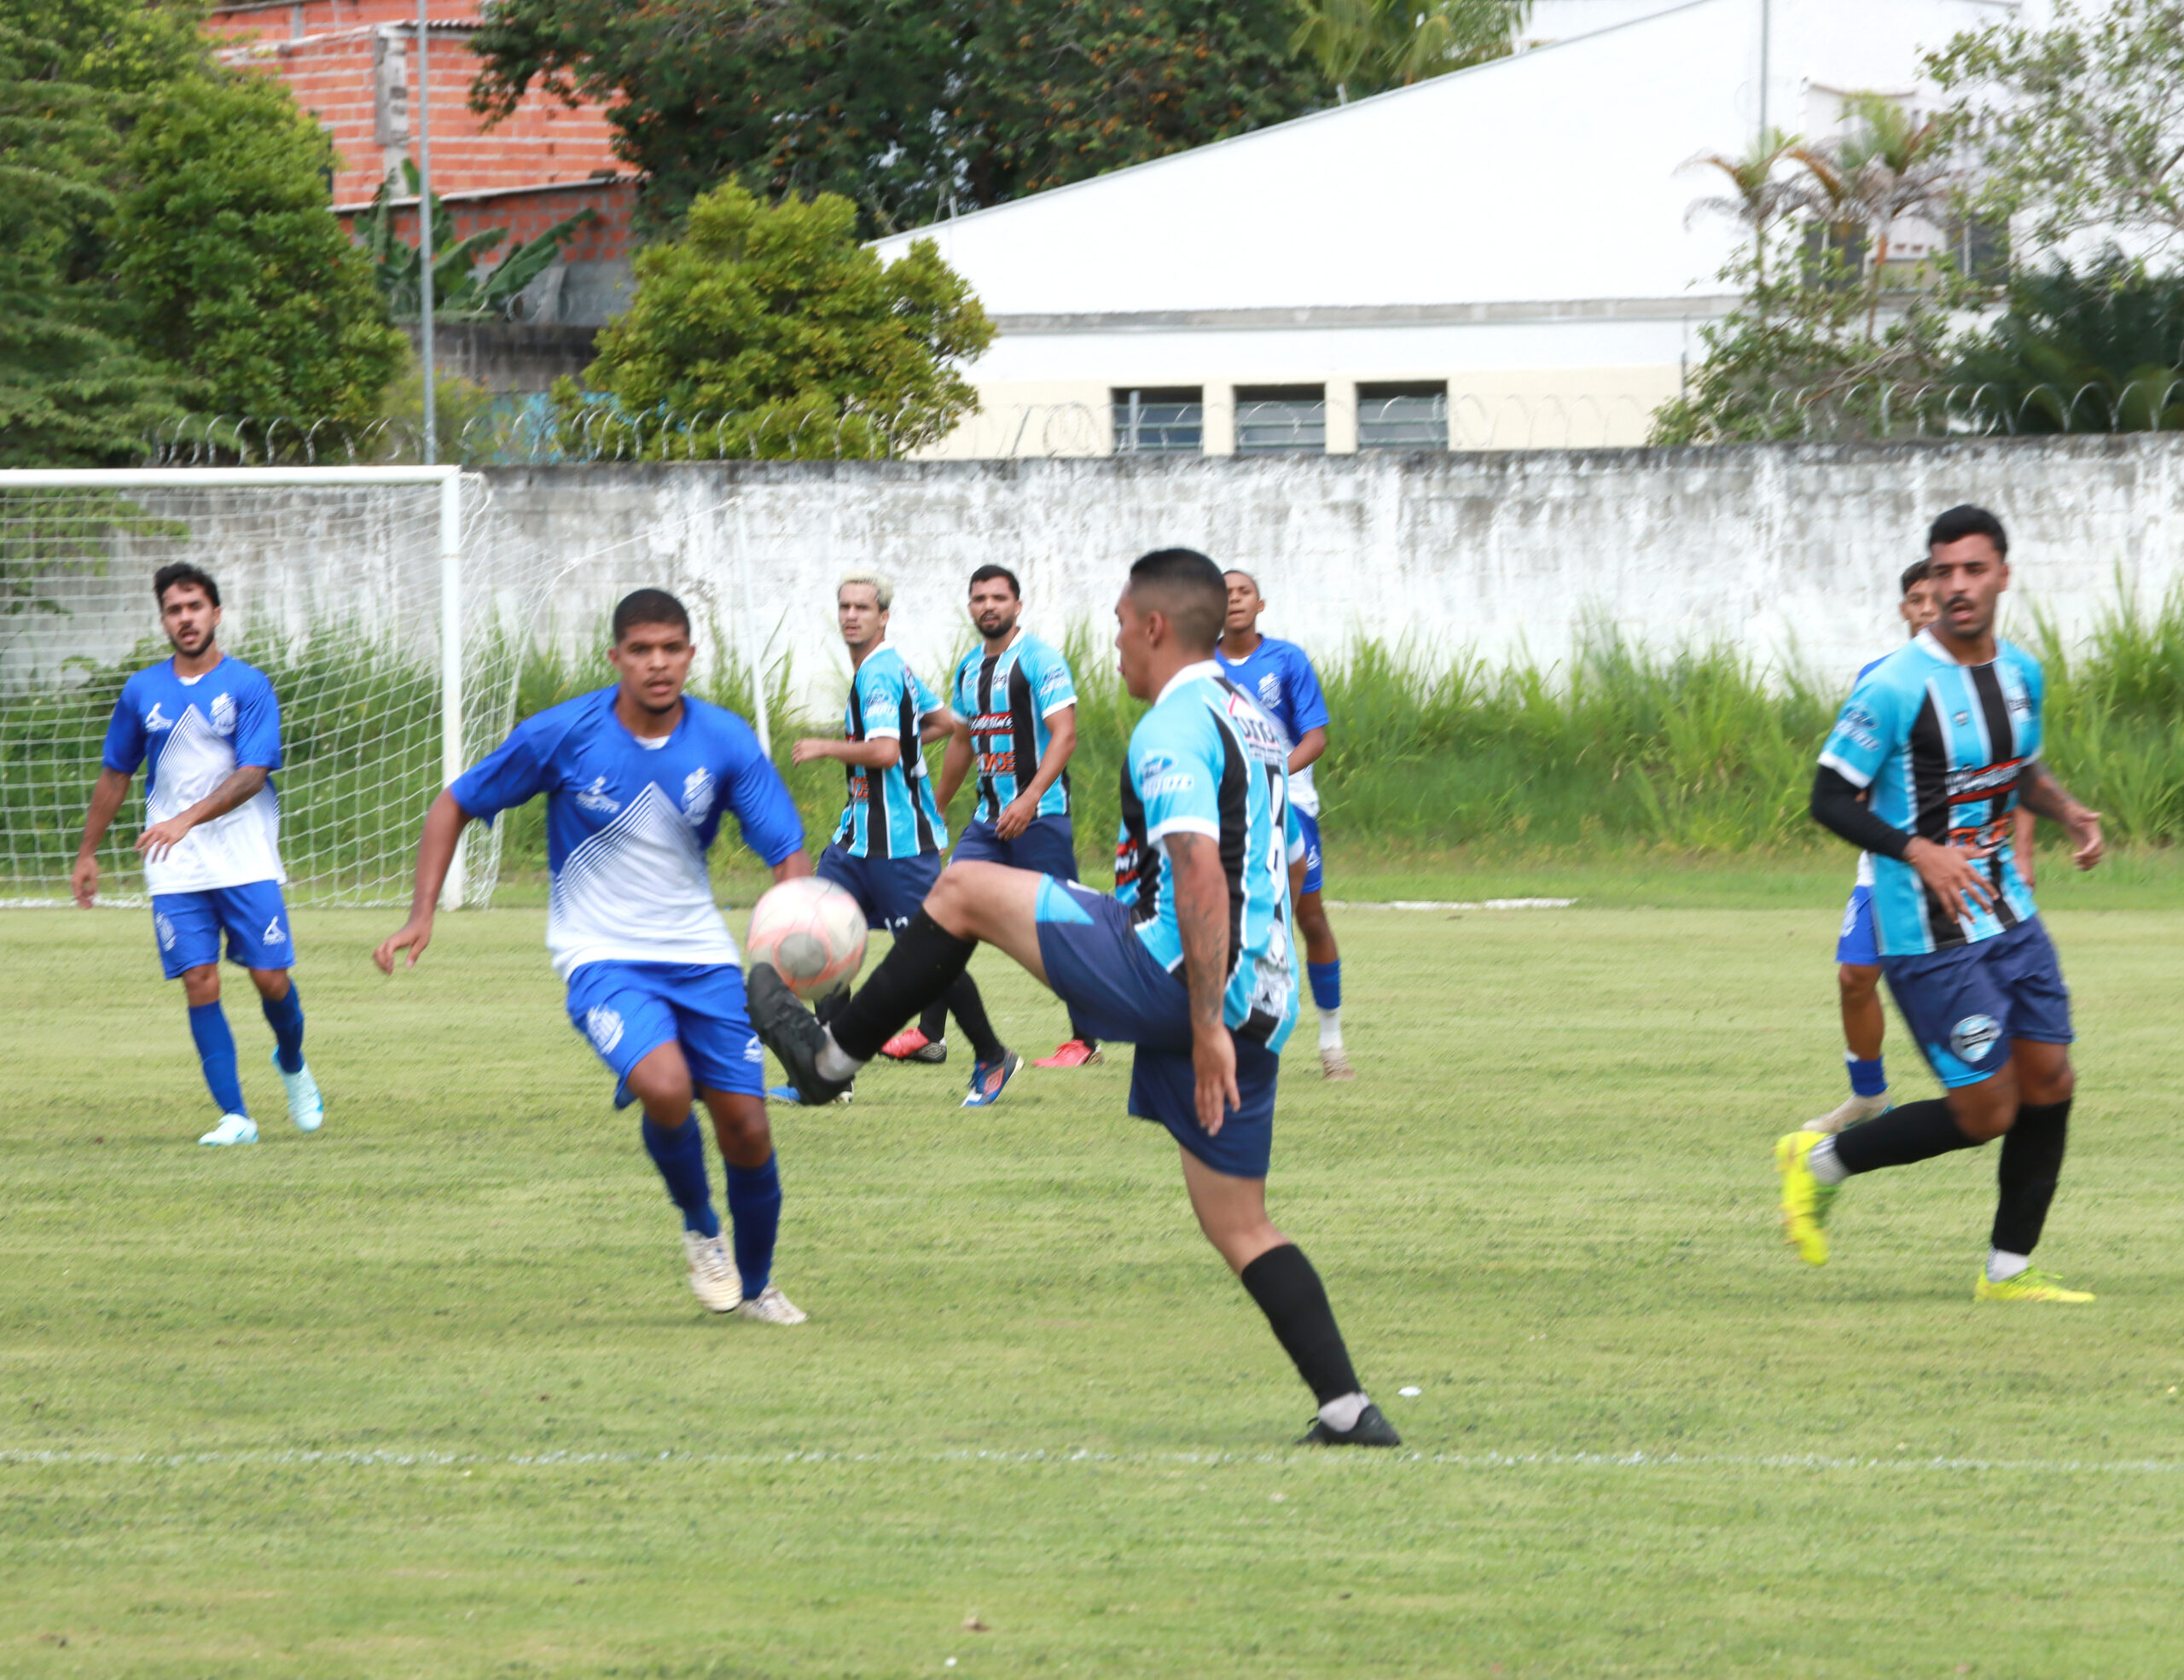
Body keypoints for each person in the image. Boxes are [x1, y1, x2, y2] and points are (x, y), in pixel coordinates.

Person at [752, 549, 1399, 1446]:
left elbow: (1201, 874)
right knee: (1238, 1222)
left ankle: (829, 1059)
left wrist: (1203, 1022)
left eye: (1122, 624)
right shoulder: (1249, 717)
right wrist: (1227, 1012)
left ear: (1156, 627)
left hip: (1181, 979)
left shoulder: (1172, 724)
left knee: (965, 890)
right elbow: (1279, 862)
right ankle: (1348, 1408)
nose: (1117, 643)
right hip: (1259, 996)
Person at [372, 590, 810, 1323]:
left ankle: (759, 1287)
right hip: (600, 954)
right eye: (641, 650)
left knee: (749, 1127)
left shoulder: (725, 740)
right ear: (615, 658)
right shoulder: (564, 734)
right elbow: (455, 802)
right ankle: (703, 1229)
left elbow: (787, 852)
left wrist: (796, 943)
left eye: (672, 648)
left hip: (699, 956)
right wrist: (422, 914)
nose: (658, 663)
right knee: (667, 1087)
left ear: (691, 655)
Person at [1778, 506, 2106, 1303]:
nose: (1956, 586)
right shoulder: (1893, 685)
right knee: (1988, 1108)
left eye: (1972, 570)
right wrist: (1917, 849)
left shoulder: (2022, 674)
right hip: (1928, 934)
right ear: (1929, 579)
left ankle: (2009, 1273)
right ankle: (1820, 1161)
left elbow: (2016, 769)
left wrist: (2066, 811)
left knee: (2051, 1079)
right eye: (1943, 571)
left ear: (2002, 575)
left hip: (2010, 913)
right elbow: (1828, 797)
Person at [72, 562, 322, 1146]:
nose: (185, 619)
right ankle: (236, 1116)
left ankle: (291, 1062)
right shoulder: (142, 691)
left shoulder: (249, 685)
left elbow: (253, 775)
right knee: (199, 980)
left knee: (270, 979)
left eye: (194, 607)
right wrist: (88, 852)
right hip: (172, 861)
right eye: (174, 610)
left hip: (244, 856)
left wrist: (186, 819)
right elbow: (116, 774)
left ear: (216, 612)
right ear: (163, 620)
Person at [1815, 561, 2041, 1135]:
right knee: (1853, 977)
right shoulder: (1885, 680)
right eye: (1915, 599)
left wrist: (2024, 852)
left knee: (1998, 977)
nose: (1926, 607)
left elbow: (2015, 774)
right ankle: (1869, 1095)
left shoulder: (2000, 672)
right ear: (1906, 609)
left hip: (1975, 869)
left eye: (1932, 596)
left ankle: (2010, 1083)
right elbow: (1848, 784)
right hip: (1893, 869)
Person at [790, 571, 1020, 1107]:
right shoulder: (889, 669)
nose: (851, 615)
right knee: (824, 940)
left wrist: (826, 747)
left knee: (931, 959)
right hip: (856, 840)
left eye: (863, 608)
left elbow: (887, 752)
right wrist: (909, 738)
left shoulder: (879, 673)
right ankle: (832, 1074)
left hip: (899, 844)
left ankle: (992, 1055)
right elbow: (948, 721)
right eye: (844, 606)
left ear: (883, 616)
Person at [888, 562, 1104, 1069]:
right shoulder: (967, 669)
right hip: (988, 822)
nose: (988, 606)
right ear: (970, 607)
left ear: (1017, 605)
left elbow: (1065, 734)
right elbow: (963, 741)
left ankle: (1085, 1042)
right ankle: (931, 1036)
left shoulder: (1040, 659)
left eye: (998, 597)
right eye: (979, 598)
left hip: (1041, 814)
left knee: (1059, 924)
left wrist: (1028, 799)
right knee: (943, 912)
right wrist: (934, 809)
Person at [1216, 570, 1350, 1080]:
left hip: (1288, 805)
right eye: (1224, 594)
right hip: (1225, 808)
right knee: (1222, 919)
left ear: (1260, 604)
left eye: (1243, 592)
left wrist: (1268, 775)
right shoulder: (1201, 666)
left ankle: (1332, 1041)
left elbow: (1315, 737)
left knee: (1308, 917)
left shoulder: (1287, 660)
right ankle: (1225, 1040)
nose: (1234, 600)